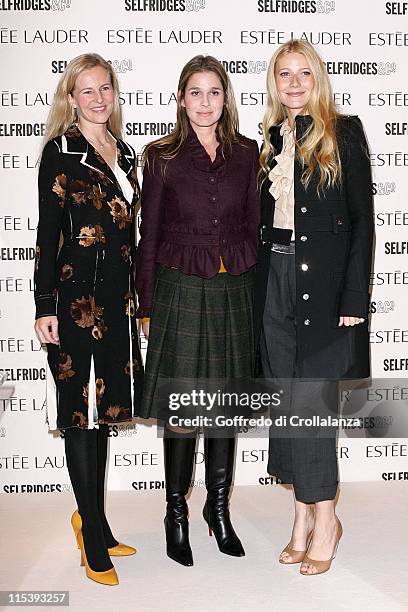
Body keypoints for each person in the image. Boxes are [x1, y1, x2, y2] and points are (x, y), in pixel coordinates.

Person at [253, 39, 373, 575]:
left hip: (323, 290)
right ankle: (300, 517)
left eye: (305, 73)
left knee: (312, 405)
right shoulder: (269, 138)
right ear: (275, 83)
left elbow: (363, 221)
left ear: (318, 79)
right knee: (287, 401)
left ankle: (326, 521)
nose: (295, 83)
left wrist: (354, 298)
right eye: (285, 74)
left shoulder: (343, 132)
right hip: (273, 283)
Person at [135, 55, 260, 566]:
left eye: (214, 92)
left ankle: (219, 508)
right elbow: (150, 236)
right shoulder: (161, 156)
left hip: (235, 290)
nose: (205, 102)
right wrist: (145, 302)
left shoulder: (248, 153)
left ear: (224, 99)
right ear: (181, 98)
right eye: (195, 92)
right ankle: (175, 512)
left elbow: (253, 230)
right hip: (179, 288)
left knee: (224, 402)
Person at [34, 53, 143, 586]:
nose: (99, 98)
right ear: (71, 98)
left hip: (118, 303)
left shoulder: (123, 151)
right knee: (79, 414)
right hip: (76, 303)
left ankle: (92, 517)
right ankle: (92, 536)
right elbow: (47, 233)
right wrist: (43, 306)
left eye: (106, 88)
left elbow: (131, 237)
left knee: (103, 413)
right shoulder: (60, 152)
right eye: (87, 90)